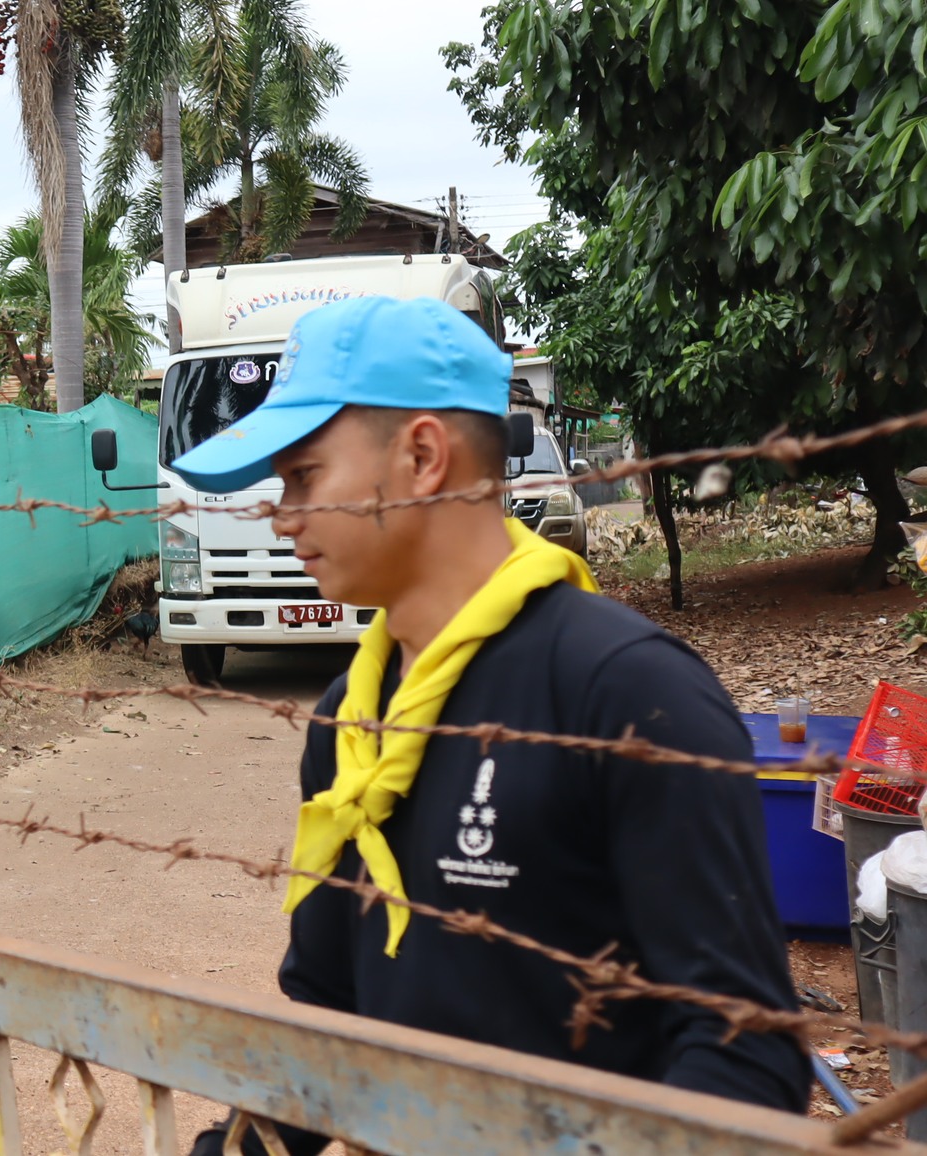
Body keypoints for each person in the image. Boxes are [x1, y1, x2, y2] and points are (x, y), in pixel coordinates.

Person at [167, 297, 807, 1153]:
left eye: (305, 477)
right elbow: (329, 1014)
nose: (283, 517)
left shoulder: (626, 693)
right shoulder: (350, 720)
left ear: (422, 457)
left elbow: (745, 1054)